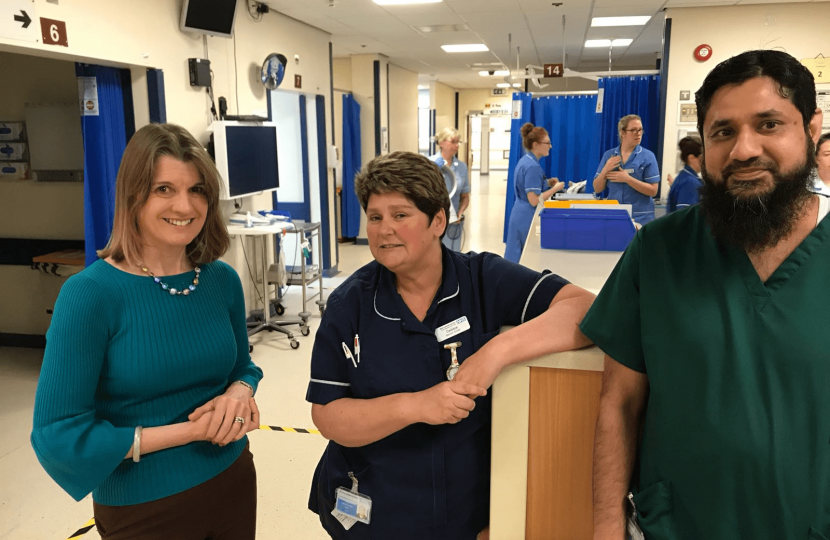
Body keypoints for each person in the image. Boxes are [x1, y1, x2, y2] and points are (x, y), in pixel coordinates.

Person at [584, 50, 829, 540]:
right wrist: (607, 527)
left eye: (768, 124)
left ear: (811, 128)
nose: (743, 149)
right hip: (678, 525)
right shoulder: (659, 251)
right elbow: (619, 404)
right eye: (723, 132)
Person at [306, 151, 594, 540]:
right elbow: (329, 416)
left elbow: (585, 309)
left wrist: (496, 352)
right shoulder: (349, 306)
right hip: (376, 509)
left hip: (464, 511)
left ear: (438, 220)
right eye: (375, 217)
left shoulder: (482, 280)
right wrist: (418, 405)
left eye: (400, 215)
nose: (383, 229)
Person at [31, 123, 264, 540]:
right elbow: (59, 434)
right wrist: (193, 431)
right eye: (164, 189)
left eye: (197, 190)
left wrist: (239, 392)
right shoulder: (90, 295)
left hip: (231, 479)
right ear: (133, 196)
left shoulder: (221, 281)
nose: (185, 205)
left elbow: (243, 367)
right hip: (144, 507)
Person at [504, 123, 564, 263]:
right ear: (536, 144)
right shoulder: (533, 167)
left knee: (514, 257)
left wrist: (548, 183)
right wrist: (556, 188)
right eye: (547, 143)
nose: (550, 146)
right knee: (526, 260)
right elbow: (534, 200)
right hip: (526, 217)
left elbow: (526, 185)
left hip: (518, 213)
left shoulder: (525, 161)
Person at [593, 114, 660, 226]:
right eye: (633, 130)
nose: (638, 133)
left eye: (640, 130)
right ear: (622, 133)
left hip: (641, 217)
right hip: (616, 215)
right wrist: (605, 169)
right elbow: (597, 188)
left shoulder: (648, 156)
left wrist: (627, 179)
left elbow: (653, 191)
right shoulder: (609, 155)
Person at [429, 127, 470, 251]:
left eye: (458, 142)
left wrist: (460, 212)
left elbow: (465, 196)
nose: (457, 145)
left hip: (454, 221)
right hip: (433, 220)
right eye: (453, 142)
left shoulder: (461, 167)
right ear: (441, 143)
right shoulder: (429, 163)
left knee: (453, 255)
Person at [667, 136, 703, 213]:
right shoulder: (690, 183)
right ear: (691, 158)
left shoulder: (685, 178)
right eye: (702, 158)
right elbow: (687, 218)